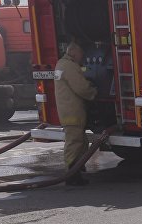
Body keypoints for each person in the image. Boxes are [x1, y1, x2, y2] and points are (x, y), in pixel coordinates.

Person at [55, 41, 97, 186]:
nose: (82, 57)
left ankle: (77, 168)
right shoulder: (70, 66)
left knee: (81, 141)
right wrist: (94, 92)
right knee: (74, 142)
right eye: (81, 54)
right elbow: (81, 88)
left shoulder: (61, 64)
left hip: (67, 110)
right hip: (72, 111)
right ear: (73, 52)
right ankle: (72, 174)